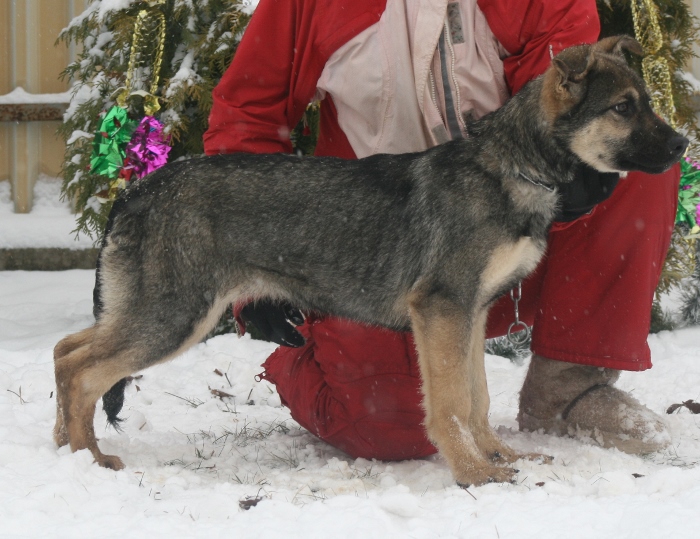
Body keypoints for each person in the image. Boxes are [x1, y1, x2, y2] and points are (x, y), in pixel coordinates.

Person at [202, 0, 677, 460]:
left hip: (513, 228)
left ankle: (569, 389)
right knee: (387, 426)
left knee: (639, 166)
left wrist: (578, 182)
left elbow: (564, 93)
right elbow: (248, 114)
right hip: (383, 252)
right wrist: (255, 259)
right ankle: (313, 353)